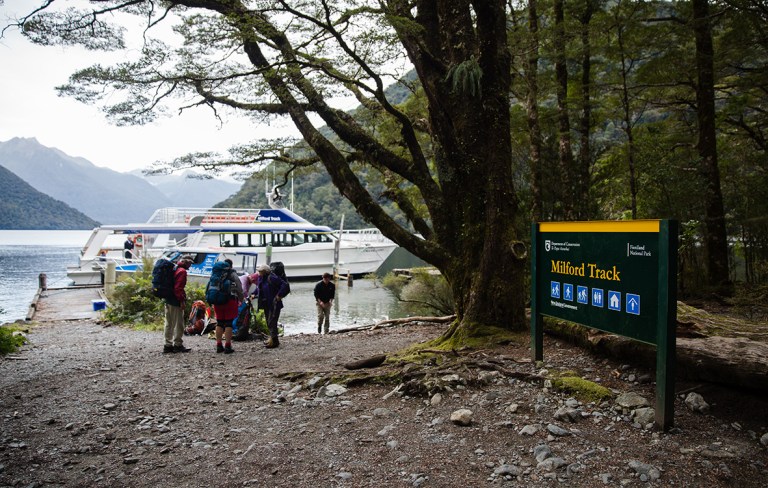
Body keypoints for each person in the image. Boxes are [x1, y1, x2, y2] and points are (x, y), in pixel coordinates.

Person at [210, 259, 243, 354]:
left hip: (217, 301)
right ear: (231, 266)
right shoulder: (232, 273)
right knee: (229, 323)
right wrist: (241, 299)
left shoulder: (215, 273)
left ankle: (219, 345)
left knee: (219, 323)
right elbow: (239, 287)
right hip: (230, 300)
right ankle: (228, 346)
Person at [163, 255, 194, 354]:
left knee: (169, 323)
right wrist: (182, 301)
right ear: (186, 262)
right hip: (176, 301)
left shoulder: (174, 268)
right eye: (190, 263)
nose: (190, 265)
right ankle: (178, 344)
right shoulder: (182, 271)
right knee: (179, 324)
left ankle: (167, 345)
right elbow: (178, 288)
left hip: (168, 299)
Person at [256, 264, 289, 348]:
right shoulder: (262, 279)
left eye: (260, 271)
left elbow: (284, 285)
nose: (258, 272)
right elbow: (260, 289)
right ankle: (274, 340)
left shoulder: (272, 277)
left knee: (272, 322)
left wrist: (279, 295)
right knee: (269, 322)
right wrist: (254, 294)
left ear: (264, 271)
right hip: (266, 304)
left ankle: (274, 342)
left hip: (274, 303)